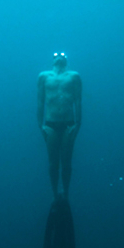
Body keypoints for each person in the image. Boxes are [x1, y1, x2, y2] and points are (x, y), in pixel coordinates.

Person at [37, 52, 82, 202]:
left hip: (68, 123)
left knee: (67, 162)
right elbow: (40, 102)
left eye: (62, 54)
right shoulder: (43, 76)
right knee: (53, 163)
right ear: (52, 60)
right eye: (56, 54)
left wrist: (78, 123)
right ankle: (55, 194)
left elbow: (78, 101)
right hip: (50, 124)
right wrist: (40, 125)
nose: (59, 56)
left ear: (67, 60)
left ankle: (66, 193)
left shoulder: (74, 76)